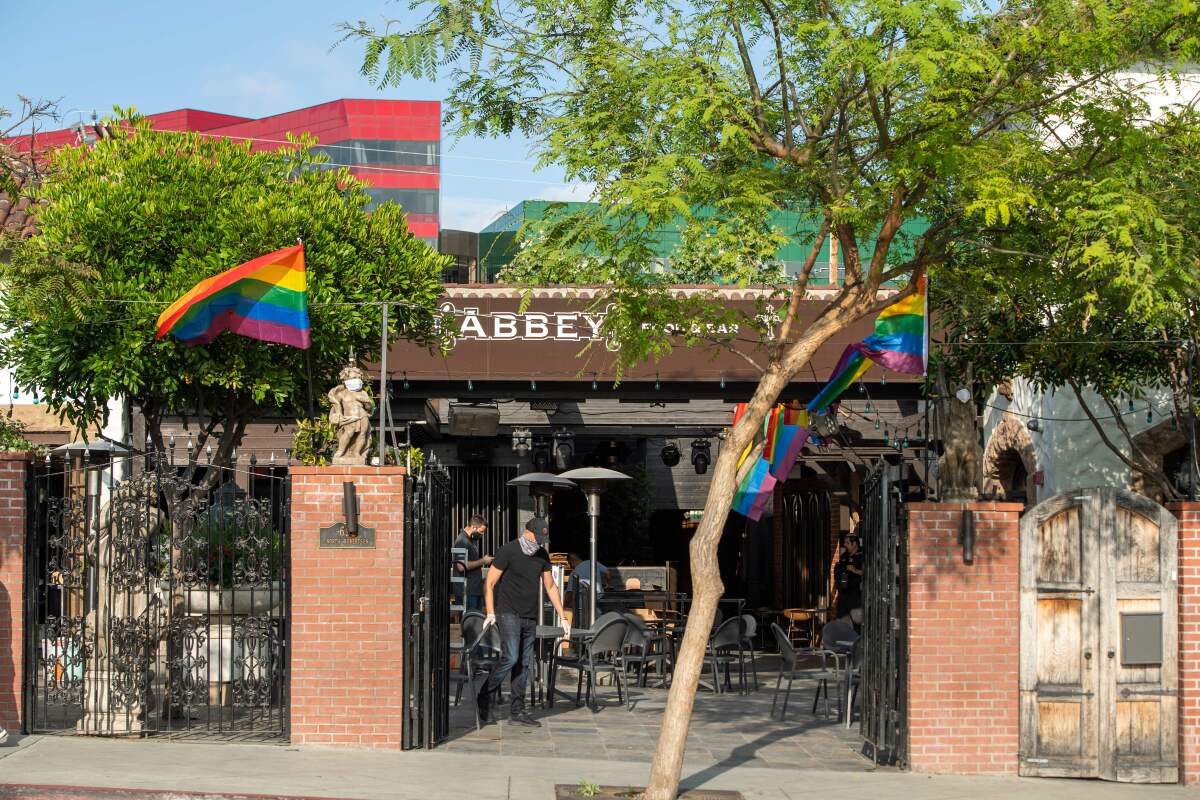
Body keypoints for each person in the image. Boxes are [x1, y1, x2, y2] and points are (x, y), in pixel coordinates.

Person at [479, 517, 569, 726]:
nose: (539, 542)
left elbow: (551, 586)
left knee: (524, 664)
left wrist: (563, 617)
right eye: (537, 537)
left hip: (529, 615)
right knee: (510, 657)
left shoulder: (541, 554)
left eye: (542, 538)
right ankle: (485, 695)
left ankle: (517, 710)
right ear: (527, 532)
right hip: (508, 612)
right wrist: (491, 612)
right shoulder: (508, 551)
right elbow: (490, 582)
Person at [454, 515, 492, 611]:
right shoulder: (462, 541)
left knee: (476, 620)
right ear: (474, 527)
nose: (482, 534)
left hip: (473, 590)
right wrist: (483, 561)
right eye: (481, 531)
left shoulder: (470, 540)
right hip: (467, 591)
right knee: (470, 622)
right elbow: (460, 566)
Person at [834, 526, 863, 618]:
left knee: (856, 621)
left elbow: (869, 573)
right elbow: (839, 570)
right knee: (841, 620)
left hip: (855, 594)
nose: (845, 545)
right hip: (843, 593)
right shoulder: (844, 555)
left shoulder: (862, 555)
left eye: (847, 543)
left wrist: (855, 570)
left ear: (854, 543)